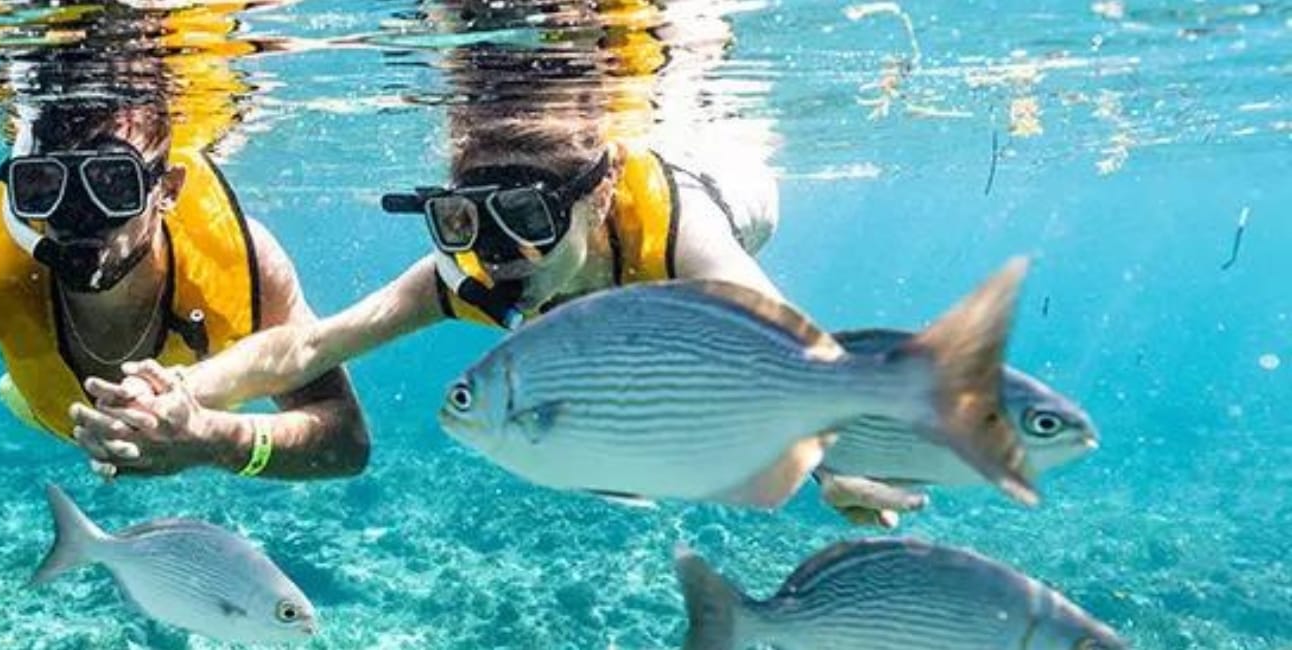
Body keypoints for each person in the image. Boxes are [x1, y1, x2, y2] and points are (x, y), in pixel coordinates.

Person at [76, 1, 920, 524]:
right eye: (464, 221)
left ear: (595, 198)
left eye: (524, 220)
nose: (497, 253)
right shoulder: (483, 262)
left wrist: (839, 466)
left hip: (720, 185)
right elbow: (308, 348)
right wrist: (181, 394)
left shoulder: (676, 241)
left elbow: (807, 365)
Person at [0, 9, 368, 481]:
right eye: (45, 186)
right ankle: (21, 393)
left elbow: (345, 441)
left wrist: (216, 441)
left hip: (173, 411)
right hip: (47, 404)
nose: (78, 216)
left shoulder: (243, 266)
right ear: (19, 190)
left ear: (167, 189)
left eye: (112, 183)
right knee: (19, 396)